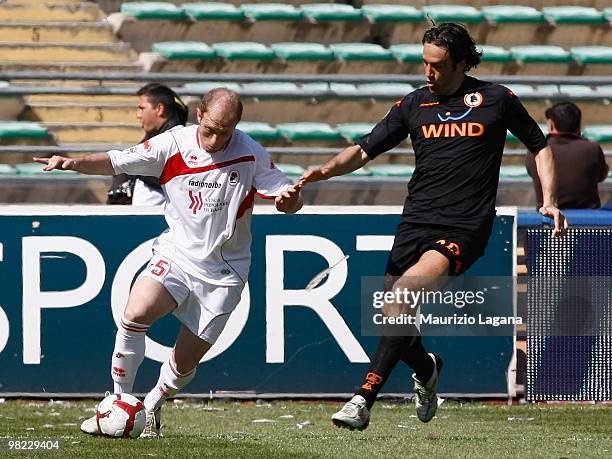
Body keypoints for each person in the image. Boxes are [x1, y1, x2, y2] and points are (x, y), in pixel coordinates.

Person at [298, 22, 568, 430]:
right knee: (392, 314)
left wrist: (548, 199)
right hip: (415, 220)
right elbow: (364, 150)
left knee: (403, 297)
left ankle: (363, 397)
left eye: (437, 65)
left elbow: (539, 144)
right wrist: (325, 170)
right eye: (424, 63)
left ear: (461, 63)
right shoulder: (413, 104)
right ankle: (426, 368)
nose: (428, 72)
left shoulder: (496, 99)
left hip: (464, 226)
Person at [34, 88, 303, 438]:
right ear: (198, 114)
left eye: (226, 132)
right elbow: (116, 160)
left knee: (185, 361)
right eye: (210, 129)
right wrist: (72, 164)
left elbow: (286, 201)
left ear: (237, 126)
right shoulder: (172, 143)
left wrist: (290, 200)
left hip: (224, 272)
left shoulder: (250, 152)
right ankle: (117, 403)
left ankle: (150, 408)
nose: (216, 138)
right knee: (135, 313)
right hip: (176, 254)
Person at [107, 83, 189, 206]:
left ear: (159, 109)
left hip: (164, 221)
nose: (138, 115)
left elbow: (178, 177)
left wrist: (133, 167)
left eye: (142, 108)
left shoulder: (178, 139)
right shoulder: (154, 138)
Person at [526, 101, 609, 209]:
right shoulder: (593, 149)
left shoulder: (536, 151)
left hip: (548, 219)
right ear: (579, 126)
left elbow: (532, 173)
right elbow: (601, 176)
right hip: (587, 219)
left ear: (551, 124)